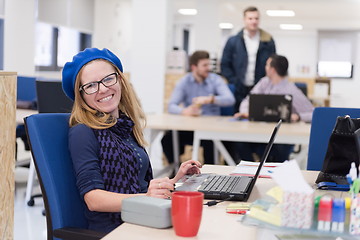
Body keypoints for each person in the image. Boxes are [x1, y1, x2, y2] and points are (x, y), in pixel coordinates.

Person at [61, 48, 202, 233]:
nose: (103, 89)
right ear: (81, 95)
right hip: (115, 229)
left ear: (120, 80)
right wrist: (146, 197)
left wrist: (176, 180)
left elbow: (140, 186)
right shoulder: (83, 132)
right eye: (91, 85)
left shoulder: (124, 126)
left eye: (108, 79)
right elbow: (93, 199)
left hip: (141, 219)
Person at [235, 54, 314, 162]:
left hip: (281, 136)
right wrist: (245, 112)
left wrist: (298, 116)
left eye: (267, 65)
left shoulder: (291, 90)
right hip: (259, 132)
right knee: (240, 142)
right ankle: (251, 171)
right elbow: (247, 101)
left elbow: (313, 113)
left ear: (272, 69)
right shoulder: (264, 83)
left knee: (279, 149)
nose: (265, 67)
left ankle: (273, 174)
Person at [161, 50, 236, 165]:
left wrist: (211, 99)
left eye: (209, 64)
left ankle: (210, 174)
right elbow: (171, 105)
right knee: (167, 139)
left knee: (210, 142)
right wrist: (185, 111)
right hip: (191, 127)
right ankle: (176, 169)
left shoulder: (215, 80)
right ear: (194, 67)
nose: (208, 68)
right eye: (205, 65)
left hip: (212, 128)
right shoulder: (184, 82)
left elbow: (230, 99)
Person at [221, 6, 276, 112]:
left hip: (260, 88)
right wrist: (234, 81)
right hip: (238, 89)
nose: (254, 21)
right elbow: (225, 64)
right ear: (244, 20)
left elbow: (273, 65)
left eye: (256, 18)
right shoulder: (233, 41)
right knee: (238, 117)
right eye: (250, 18)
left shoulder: (268, 41)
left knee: (259, 117)